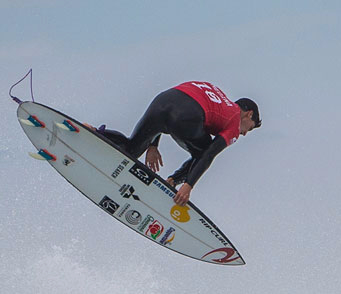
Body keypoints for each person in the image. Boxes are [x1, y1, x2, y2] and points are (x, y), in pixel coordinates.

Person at [96, 81, 260, 206]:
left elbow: (176, 102)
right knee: (203, 151)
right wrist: (188, 185)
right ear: (249, 114)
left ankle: (95, 132)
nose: (244, 133)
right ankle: (173, 181)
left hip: (162, 100)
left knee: (130, 150)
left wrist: (152, 144)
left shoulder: (217, 94)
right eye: (249, 128)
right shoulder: (233, 122)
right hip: (187, 114)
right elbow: (208, 154)